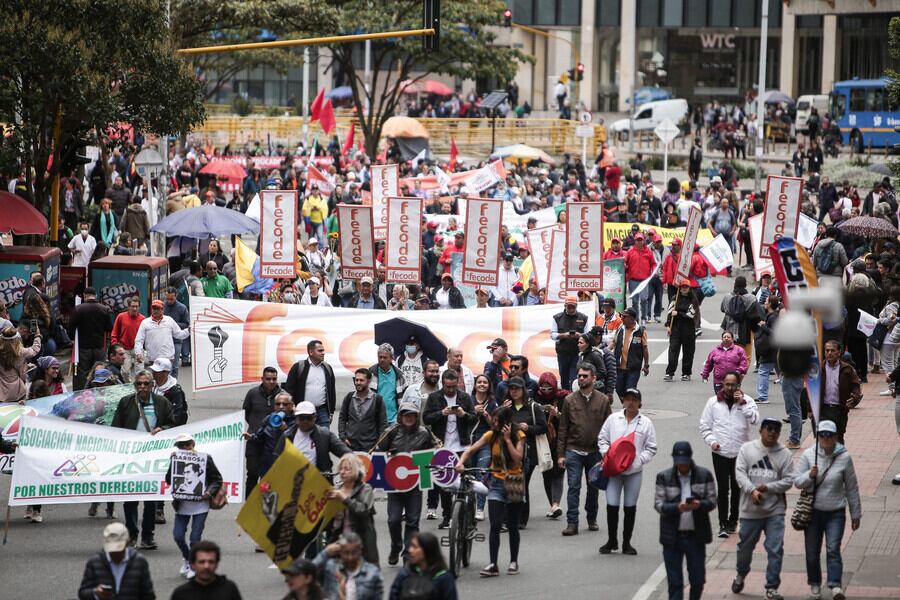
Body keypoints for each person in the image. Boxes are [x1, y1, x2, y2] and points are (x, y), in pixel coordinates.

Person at [456, 406, 526, 576]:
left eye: (497, 421)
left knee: (512, 525)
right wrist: (461, 462)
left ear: (506, 423)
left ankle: (513, 561)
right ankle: (493, 564)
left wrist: (508, 440)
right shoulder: (490, 435)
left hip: (514, 483)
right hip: (496, 484)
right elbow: (470, 450)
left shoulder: (519, 435)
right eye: (493, 421)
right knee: (495, 525)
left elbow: (518, 459)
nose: (493, 424)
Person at [112, 370, 176, 549]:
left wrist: (162, 429)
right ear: (135, 386)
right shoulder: (125, 402)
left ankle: (148, 536)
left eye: (146, 384)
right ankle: (131, 535)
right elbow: (115, 428)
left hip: (153, 457)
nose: (142, 387)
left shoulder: (162, 403)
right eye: (139, 384)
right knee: (130, 499)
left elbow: (173, 424)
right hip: (131, 457)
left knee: (150, 499)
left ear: (152, 385)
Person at [732, 418, 796, 600]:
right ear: (761, 430)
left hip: (775, 510)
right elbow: (740, 473)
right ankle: (741, 573)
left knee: (775, 548)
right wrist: (752, 490)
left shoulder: (785, 454)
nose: (772, 433)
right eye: (769, 429)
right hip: (749, 511)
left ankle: (772, 586)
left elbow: (789, 480)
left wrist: (769, 488)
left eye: (776, 430)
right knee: (745, 548)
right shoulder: (747, 449)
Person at [374, 401, 436, 565]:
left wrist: (428, 460)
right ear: (400, 416)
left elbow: (435, 450)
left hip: (414, 484)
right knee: (393, 520)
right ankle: (396, 545)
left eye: (412, 415)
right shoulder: (391, 431)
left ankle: (408, 553)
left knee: (412, 521)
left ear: (416, 416)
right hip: (394, 485)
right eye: (405, 414)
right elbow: (377, 451)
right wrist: (389, 454)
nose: (409, 418)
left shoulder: (424, 433)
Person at [597, 388, 658, 555]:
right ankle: (612, 540)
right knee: (612, 505)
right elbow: (602, 438)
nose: (631, 403)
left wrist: (639, 460)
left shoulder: (646, 423)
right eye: (628, 399)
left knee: (630, 506)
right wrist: (607, 454)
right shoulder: (613, 419)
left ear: (640, 403)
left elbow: (651, 447)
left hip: (634, 473)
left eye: (634, 399)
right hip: (613, 471)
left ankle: (626, 542)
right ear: (623, 401)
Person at [699, 371, 759, 539]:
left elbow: (755, 420)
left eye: (733, 385)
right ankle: (723, 523)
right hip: (721, 452)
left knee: (737, 488)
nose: (730, 388)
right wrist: (712, 441)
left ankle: (733, 520)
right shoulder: (713, 402)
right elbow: (704, 426)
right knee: (723, 489)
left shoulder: (748, 401)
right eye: (727, 384)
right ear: (722, 384)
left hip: (740, 453)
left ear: (738, 385)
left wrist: (743, 404)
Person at [655, 441, 717, 600]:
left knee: (697, 580)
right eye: (679, 462)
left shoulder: (704, 475)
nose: (682, 466)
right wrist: (677, 508)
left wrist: (698, 505)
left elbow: (712, 501)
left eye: (684, 462)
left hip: (696, 536)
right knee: (675, 582)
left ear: (690, 459)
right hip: (672, 537)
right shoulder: (664, 477)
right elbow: (659, 504)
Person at [558, 363, 612, 536]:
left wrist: (608, 453)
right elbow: (563, 429)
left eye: (585, 376)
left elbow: (609, 427)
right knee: (573, 487)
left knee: (593, 487)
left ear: (593, 378)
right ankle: (572, 523)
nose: (581, 378)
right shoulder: (569, 400)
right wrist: (560, 454)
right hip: (573, 450)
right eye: (579, 376)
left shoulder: (603, 400)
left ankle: (592, 518)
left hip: (595, 452)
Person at [423, 369, 476, 529]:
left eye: (454, 386)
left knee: (464, 483)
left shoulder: (465, 397)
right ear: (442, 384)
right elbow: (426, 418)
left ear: (458, 383)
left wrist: (463, 414)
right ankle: (447, 516)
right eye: (448, 387)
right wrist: (441, 413)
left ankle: (464, 515)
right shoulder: (434, 397)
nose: (451, 390)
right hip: (442, 447)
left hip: (462, 446)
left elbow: (474, 418)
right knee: (444, 484)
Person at [164, 433, 223, 579]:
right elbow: (169, 480)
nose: (185, 448)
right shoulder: (176, 459)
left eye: (187, 444)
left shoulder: (205, 458)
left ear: (193, 444)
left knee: (195, 538)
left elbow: (217, 479)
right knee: (178, 536)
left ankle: (193, 565)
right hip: (182, 505)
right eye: (181, 445)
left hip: (201, 506)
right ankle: (188, 559)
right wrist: (173, 462)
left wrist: (209, 492)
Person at [503, 376, 547, 528]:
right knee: (508, 482)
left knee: (522, 483)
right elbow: (496, 425)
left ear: (523, 390)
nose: (514, 392)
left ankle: (522, 518)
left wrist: (528, 428)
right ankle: (508, 516)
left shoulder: (533, 407)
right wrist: (502, 410)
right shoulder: (506, 406)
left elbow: (543, 427)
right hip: (508, 450)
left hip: (528, 452)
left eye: (517, 388)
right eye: (511, 389)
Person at [77, 521, 155, 600]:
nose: (115, 553)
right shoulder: (95, 563)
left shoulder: (139, 562)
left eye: (118, 549)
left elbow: (148, 595)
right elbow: (83, 592)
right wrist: (96, 593)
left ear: (127, 543)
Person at [325, 454, 379, 565]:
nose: (342, 472)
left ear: (355, 470)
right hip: (339, 541)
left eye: (347, 469)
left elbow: (363, 511)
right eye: (341, 469)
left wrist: (345, 499)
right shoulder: (337, 490)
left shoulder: (365, 489)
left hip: (360, 542)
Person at [273, 401, 351, 478]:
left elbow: (346, 453)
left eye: (309, 418)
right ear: (296, 418)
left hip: (319, 482)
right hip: (294, 481)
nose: (305, 421)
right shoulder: (287, 436)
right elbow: (277, 459)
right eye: (302, 418)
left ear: (315, 417)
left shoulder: (325, 435)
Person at [243, 367, 282, 493]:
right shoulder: (252, 393)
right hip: (254, 442)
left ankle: (265, 504)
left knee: (269, 478)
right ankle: (249, 503)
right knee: (252, 474)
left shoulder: (283, 397)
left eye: (274, 379)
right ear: (262, 379)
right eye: (268, 379)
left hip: (272, 445)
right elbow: (246, 413)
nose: (271, 382)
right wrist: (256, 427)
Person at [312, 532, 383, 600]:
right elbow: (308, 572)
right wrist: (325, 553)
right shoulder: (331, 567)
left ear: (360, 550)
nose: (350, 557)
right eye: (346, 553)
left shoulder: (372, 573)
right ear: (340, 552)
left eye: (354, 553)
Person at [388, 531, 457, 600]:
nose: (410, 550)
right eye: (411, 546)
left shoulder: (443, 578)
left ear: (427, 550)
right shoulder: (405, 574)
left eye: (415, 547)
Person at [68, 287, 114, 390]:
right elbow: (109, 328)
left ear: (84, 296)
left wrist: (72, 340)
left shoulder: (78, 309)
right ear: (95, 295)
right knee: (100, 371)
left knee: (82, 373)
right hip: (99, 346)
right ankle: (99, 391)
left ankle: (83, 393)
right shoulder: (104, 309)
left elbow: (71, 328)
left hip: (83, 347)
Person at [284, 339, 337, 427]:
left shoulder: (327, 368)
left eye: (323, 350)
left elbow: (332, 391)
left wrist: (331, 412)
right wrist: (292, 407)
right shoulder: (299, 367)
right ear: (311, 352)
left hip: (322, 411)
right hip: (303, 411)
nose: (323, 353)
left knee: (323, 435)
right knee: (303, 434)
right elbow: (289, 389)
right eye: (320, 351)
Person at [819, 339, 862, 443]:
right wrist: (810, 409)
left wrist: (854, 398)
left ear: (839, 352)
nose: (829, 353)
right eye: (827, 350)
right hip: (823, 410)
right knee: (824, 440)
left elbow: (856, 386)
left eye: (832, 350)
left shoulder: (847, 369)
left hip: (839, 410)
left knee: (838, 439)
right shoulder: (818, 369)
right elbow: (810, 390)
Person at [170, 540, 242, 600]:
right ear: (192, 565)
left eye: (211, 562)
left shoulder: (229, 590)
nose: (206, 566)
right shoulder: (181, 594)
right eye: (202, 562)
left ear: (217, 564)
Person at [338, 368, 388, 452]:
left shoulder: (378, 400)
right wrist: (343, 437)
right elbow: (342, 418)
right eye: (356, 380)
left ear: (368, 381)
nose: (358, 383)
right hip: (350, 445)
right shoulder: (349, 397)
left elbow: (383, 424)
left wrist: (379, 444)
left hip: (370, 447)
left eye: (361, 380)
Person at [133, 300, 190, 369]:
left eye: (158, 308)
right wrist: (138, 353)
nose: (155, 311)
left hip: (168, 358)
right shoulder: (145, 323)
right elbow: (139, 340)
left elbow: (179, 334)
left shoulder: (169, 320)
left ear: (162, 310)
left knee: (168, 376)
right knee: (155, 376)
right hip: (153, 359)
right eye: (154, 308)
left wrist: (188, 331)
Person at [665, 279, 700, 382]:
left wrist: (678, 314)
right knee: (673, 350)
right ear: (679, 288)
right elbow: (670, 312)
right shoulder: (674, 298)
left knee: (688, 352)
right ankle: (669, 373)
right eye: (682, 287)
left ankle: (686, 373)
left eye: (686, 287)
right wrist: (668, 325)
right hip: (675, 329)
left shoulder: (693, 300)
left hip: (688, 329)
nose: (684, 289)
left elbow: (691, 315)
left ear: (689, 288)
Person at [721, 276, 762, 362]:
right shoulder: (751, 298)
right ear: (745, 285)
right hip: (746, 331)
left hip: (729, 330)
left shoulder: (727, 297)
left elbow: (722, 309)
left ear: (735, 284)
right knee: (746, 356)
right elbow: (758, 314)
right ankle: (741, 370)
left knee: (728, 354)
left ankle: (731, 369)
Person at [611, 308, 650, 399]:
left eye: (625, 316)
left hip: (633, 368)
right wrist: (604, 351)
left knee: (630, 390)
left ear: (632, 319)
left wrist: (646, 365)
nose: (622, 318)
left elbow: (645, 349)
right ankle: (626, 401)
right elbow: (614, 343)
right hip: (619, 367)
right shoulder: (620, 328)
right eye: (622, 316)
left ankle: (628, 404)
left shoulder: (641, 331)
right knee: (618, 388)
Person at [0, 325, 41, 402]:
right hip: (18, 391)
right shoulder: (21, 352)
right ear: (16, 339)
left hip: (2, 392)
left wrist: (25, 366)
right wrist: (37, 336)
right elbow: (35, 349)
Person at [369, 343, 407, 425]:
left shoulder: (400, 375)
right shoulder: (370, 373)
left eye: (385, 357)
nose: (382, 359)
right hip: (375, 420)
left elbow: (405, 397)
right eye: (380, 357)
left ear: (392, 358)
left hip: (394, 420)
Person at [625, 233, 656, 323]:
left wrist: (653, 271)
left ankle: (644, 318)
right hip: (633, 280)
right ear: (635, 241)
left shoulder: (648, 252)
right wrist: (624, 265)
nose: (639, 242)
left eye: (641, 240)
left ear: (643, 241)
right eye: (637, 240)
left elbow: (653, 263)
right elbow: (625, 262)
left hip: (644, 281)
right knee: (635, 301)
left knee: (644, 300)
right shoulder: (630, 251)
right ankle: (636, 319)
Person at [150, 358, 187, 426]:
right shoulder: (150, 385)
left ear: (166, 373)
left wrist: (164, 428)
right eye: (153, 370)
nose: (153, 373)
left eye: (157, 371)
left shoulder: (175, 391)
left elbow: (176, 415)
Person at [163, 287, 189, 378]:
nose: (169, 301)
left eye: (172, 299)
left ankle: (173, 384)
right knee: (164, 365)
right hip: (163, 340)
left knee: (174, 366)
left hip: (176, 341)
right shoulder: (161, 306)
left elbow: (186, 324)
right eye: (167, 298)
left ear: (176, 296)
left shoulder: (182, 308)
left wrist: (173, 324)